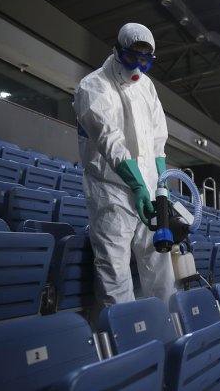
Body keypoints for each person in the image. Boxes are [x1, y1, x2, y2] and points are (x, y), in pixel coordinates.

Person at [74, 23, 176, 316]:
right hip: (110, 190)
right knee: (114, 270)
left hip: (148, 187)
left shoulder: (146, 85)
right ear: (118, 51)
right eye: (133, 58)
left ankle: (166, 330)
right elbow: (111, 143)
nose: (139, 67)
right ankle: (125, 341)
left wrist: (159, 188)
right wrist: (138, 186)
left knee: (160, 264)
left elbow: (158, 141)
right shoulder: (92, 87)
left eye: (146, 61)